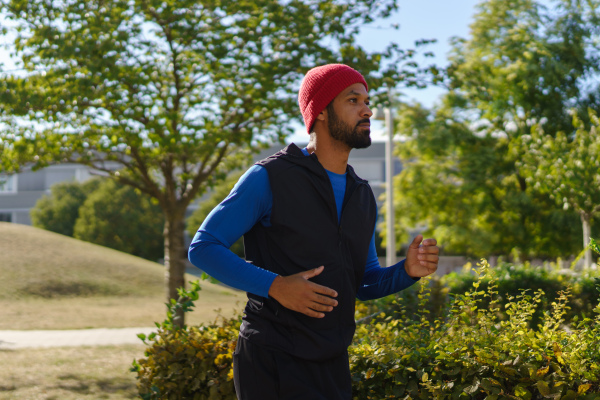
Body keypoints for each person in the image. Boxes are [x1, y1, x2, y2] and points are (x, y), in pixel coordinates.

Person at [188, 63, 439, 400]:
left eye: (367, 101)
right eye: (353, 100)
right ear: (320, 111)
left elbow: (362, 282)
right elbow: (204, 247)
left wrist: (407, 272)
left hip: (332, 364)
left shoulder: (362, 195)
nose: (367, 110)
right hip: (272, 359)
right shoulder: (270, 177)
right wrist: (276, 286)